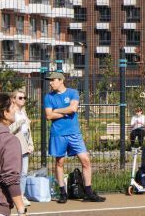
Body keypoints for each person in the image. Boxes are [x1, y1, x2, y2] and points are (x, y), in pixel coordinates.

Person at [43, 72, 105, 203]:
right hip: (58, 134)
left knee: (85, 160)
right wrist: (65, 111)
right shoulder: (48, 97)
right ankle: (62, 193)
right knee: (59, 162)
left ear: (61, 80)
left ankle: (88, 193)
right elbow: (48, 116)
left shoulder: (72, 92)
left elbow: (73, 109)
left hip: (74, 133)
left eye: (53, 80)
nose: (50, 82)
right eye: (50, 80)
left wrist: (57, 110)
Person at [8, 90, 35, 176]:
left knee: (24, 172)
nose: (23, 99)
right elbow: (8, 129)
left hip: (25, 140)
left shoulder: (23, 111)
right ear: (13, 99)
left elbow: (28, 129)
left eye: (24, 98)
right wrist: (20, 122)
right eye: (20, 98)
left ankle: (21, 190)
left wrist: (31, 144)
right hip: (16, 141)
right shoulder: (11, 112)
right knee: (16, 171)